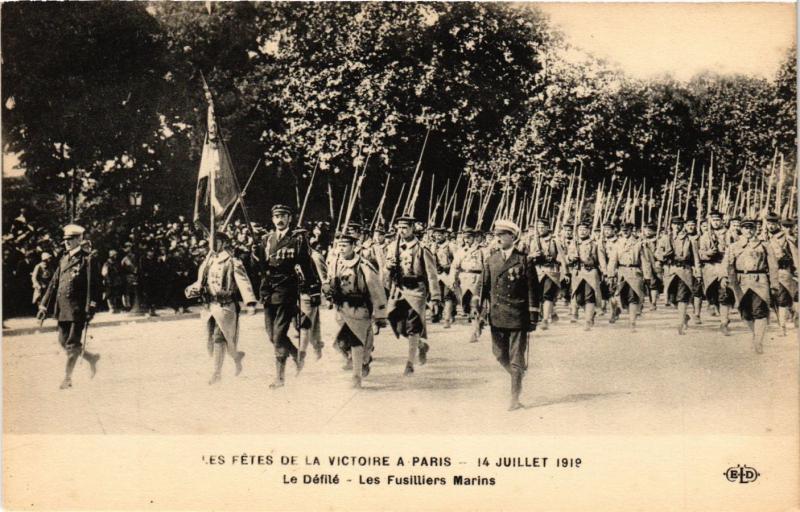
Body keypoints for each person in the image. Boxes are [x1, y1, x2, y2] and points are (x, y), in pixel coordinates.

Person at [480, 219, 540, 411]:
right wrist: (480, 310)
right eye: (496, 235)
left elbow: (533, 290)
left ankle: (514, 398)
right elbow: (483, 287)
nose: (497, 238)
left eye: (501, 235)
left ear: (512, 237)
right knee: (498, 354)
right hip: (497, 315)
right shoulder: (491, 259)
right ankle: (518, 375)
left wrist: (533, 316)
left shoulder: (524, 260)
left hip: (517, 315)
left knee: (516, 358)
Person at [259, 205, 320, 389]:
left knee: (278, 336)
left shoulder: (297, 240)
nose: (279, 219)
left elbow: (307, 266)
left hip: (287, 290)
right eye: (276, 216)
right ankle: (295, 354)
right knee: (271, 335)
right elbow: (261, 268)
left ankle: (280, 377)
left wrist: (314, 289)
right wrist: (253, 253)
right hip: (268, 290)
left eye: (283, 216)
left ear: (289, 218)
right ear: (272, 219)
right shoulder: (265, 240)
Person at [186, 232, 257, 384]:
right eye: (211, 242)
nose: (213, 245)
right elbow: (201, 282)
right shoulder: (208, 261)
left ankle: (216, 373)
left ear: (223, 243)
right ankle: (236, 356)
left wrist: (250, 302)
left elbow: (243, 282)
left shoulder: (232, 261)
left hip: (225, 306)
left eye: (216, 241)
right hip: (209, 306)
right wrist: (192, 289)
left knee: (220, 337)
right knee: (210, 339)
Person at [36, 224, 101, 390]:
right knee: (62, 342)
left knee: (72, 345)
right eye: (65, 240)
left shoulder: (88, 259)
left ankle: (67, 378)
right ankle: (91, 358)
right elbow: (54, 284)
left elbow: (94, 286)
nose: (67, 243)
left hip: (79, 309)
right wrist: (43, 306)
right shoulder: (64, 259)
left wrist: (91, 308)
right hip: (63, 308)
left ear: (79, 239)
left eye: (71, 239)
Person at [324, 231, 388, 387]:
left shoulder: (364, 265)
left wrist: (380, 314)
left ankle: (356, 376)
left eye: (345, 245)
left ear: (354, 246)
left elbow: (376, 289)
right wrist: (327, 289)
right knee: (341, 343)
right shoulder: (335, 263)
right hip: (342, 309)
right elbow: (330, 281)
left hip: (360, 308)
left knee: (356, 342)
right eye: (339, 246)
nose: (341, 249)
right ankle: (364, 360)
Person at [385, 215, 441, 375]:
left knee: (413, 327)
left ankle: (409, 363)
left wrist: (435, 297)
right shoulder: (392, 247)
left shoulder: (422, 249)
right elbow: (385, 273)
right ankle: (421, 346)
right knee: (397, 323)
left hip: (416, 290)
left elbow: (431, 274)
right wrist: (388, 267)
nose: (401, 231)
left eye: (405, 228)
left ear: (412, 228)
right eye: (399, 228)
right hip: (399, 289)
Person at [726, 219, 780, 354]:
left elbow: (773, 266)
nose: (748, 231)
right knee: (746, 313)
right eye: (745, 228)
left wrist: (774, 283)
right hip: (741, 283)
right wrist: (726, 280)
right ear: (741, 230)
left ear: (755, 230)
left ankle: (758, 342)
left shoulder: (764, 245)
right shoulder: (734, 246)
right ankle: (756, 335)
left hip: (760, 281)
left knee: (760, 311)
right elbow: (728, 265)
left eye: (751, 228)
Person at [656, 217, 701, 334]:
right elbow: (658, 253)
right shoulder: (665, 238)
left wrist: (698, 272)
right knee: (672, 298)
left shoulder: (690, 240)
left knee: (682, 297)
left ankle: (680, 323)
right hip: (670, 270)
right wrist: (663, 256)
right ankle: (684, 316)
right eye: (675, 224)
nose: (677, 226)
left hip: (684, 270)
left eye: (680, 224)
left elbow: (696, 257)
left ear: (683, 225)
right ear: (671, 225)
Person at [606, 222, 654, 332]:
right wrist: (610, 274)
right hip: (621, 273)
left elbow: (645, 261)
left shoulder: (639, 243)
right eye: (623, 230)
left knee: (633, 297)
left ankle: (632, 322)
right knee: (619, 297)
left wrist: (647, 276)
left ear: (631, 230)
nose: (625, 232)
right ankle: (617, 310)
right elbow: (613, 260)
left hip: (635, 272)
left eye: (627, 229)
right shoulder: (617, 243)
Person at [698, 211, 735, 334]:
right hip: (709, 269)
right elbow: (700, 254)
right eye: (713, 220)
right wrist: (708, 254)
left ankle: (724, 322)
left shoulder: (729, 234)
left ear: (722, 221)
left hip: (724, 266)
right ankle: (721, 316)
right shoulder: (705, 236)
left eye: (718, 220)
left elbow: (736, 248)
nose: (716, 222)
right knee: (712, 295)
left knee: (724, 294)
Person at [526, 218, 567, 328]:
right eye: (538, 227)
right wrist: (533, 255)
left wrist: (566, 272)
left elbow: (562, 257)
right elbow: (527, 256)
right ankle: (552, 313)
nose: (540, 229)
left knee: (547, 295)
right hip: (537, 271)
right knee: (539, 296)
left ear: (548, 228)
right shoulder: (533, 240)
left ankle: (545, 320)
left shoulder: (555, 241)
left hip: (551, 271)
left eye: (542, 227)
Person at [567, 220, 606, 331]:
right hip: (577, 273)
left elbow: (601, 259)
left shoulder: (595, 244)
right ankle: (590, 313)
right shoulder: (574, 243)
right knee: (579, 298)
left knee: (589, 296)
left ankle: (588, 320)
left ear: (589, 231)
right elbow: (568, 257)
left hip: (590, 272)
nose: (582, 232)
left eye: (585, 229)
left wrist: (605, 272)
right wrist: (571, 258)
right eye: (580, 229)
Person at [765, 212, 798, 336]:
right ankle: (789, 317)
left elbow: (795, 255)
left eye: (773, 223)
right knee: (774, 300)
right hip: (769, 273)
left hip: (783, 272)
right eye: (768, 223)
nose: (771, 226)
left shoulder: (786, 238)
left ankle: (782, 327)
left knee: (782, 299)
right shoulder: (765, 237)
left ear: (777, 224)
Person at [449, 228, 484, 342]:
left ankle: (474, 331)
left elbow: (486, 266)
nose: (467, 240)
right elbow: (454, 266)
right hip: (464, 280)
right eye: (465, 237)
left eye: (469, 237)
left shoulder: (481, 250)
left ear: (474, 237)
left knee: (475, 305)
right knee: (466, 306)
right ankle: (478, 323)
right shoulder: (460, 251)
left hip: (477, 279)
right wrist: (452, 279)